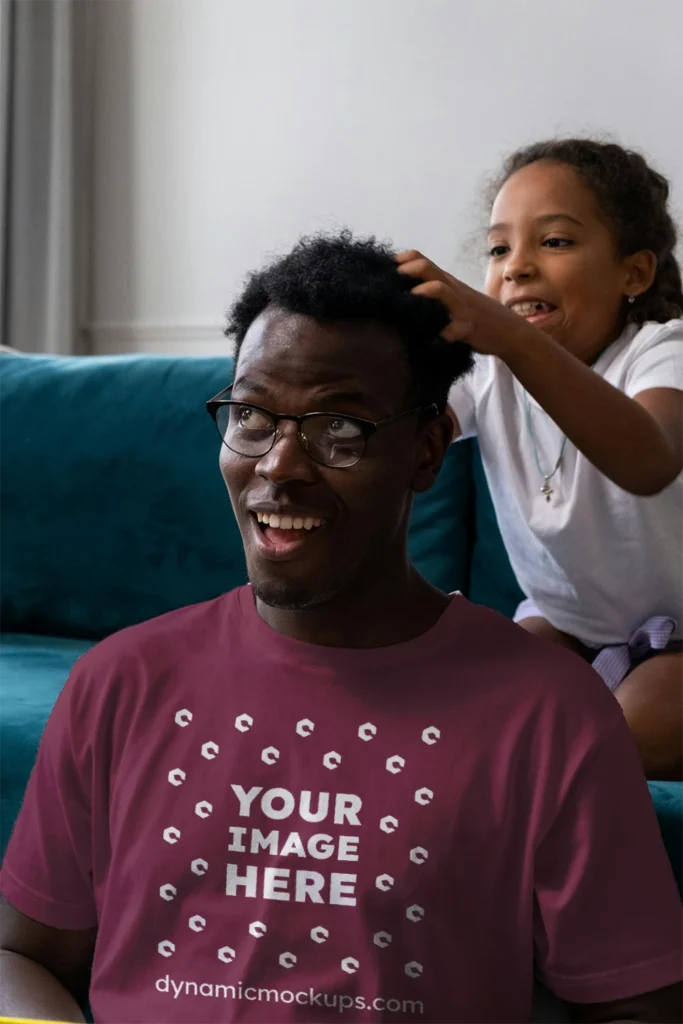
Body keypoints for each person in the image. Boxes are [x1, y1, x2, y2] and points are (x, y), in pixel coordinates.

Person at [1, 232, 683, 1024]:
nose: (280, 464)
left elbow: (636, 1008)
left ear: (427, 450)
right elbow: (22, 955)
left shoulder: (549, 714)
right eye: (252, 415)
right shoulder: (118, 683)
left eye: (339, 429)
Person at [397, 139, 683, 780]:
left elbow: (651, 460)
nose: (516, 267)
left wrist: (509, 337)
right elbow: (410, 433)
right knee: (460, 715)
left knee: (613, 745)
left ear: (633, 274)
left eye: (553, 242)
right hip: (568, 626)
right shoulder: (487, 371)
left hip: (681, 643)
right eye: (499, 249)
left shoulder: (663, 351)